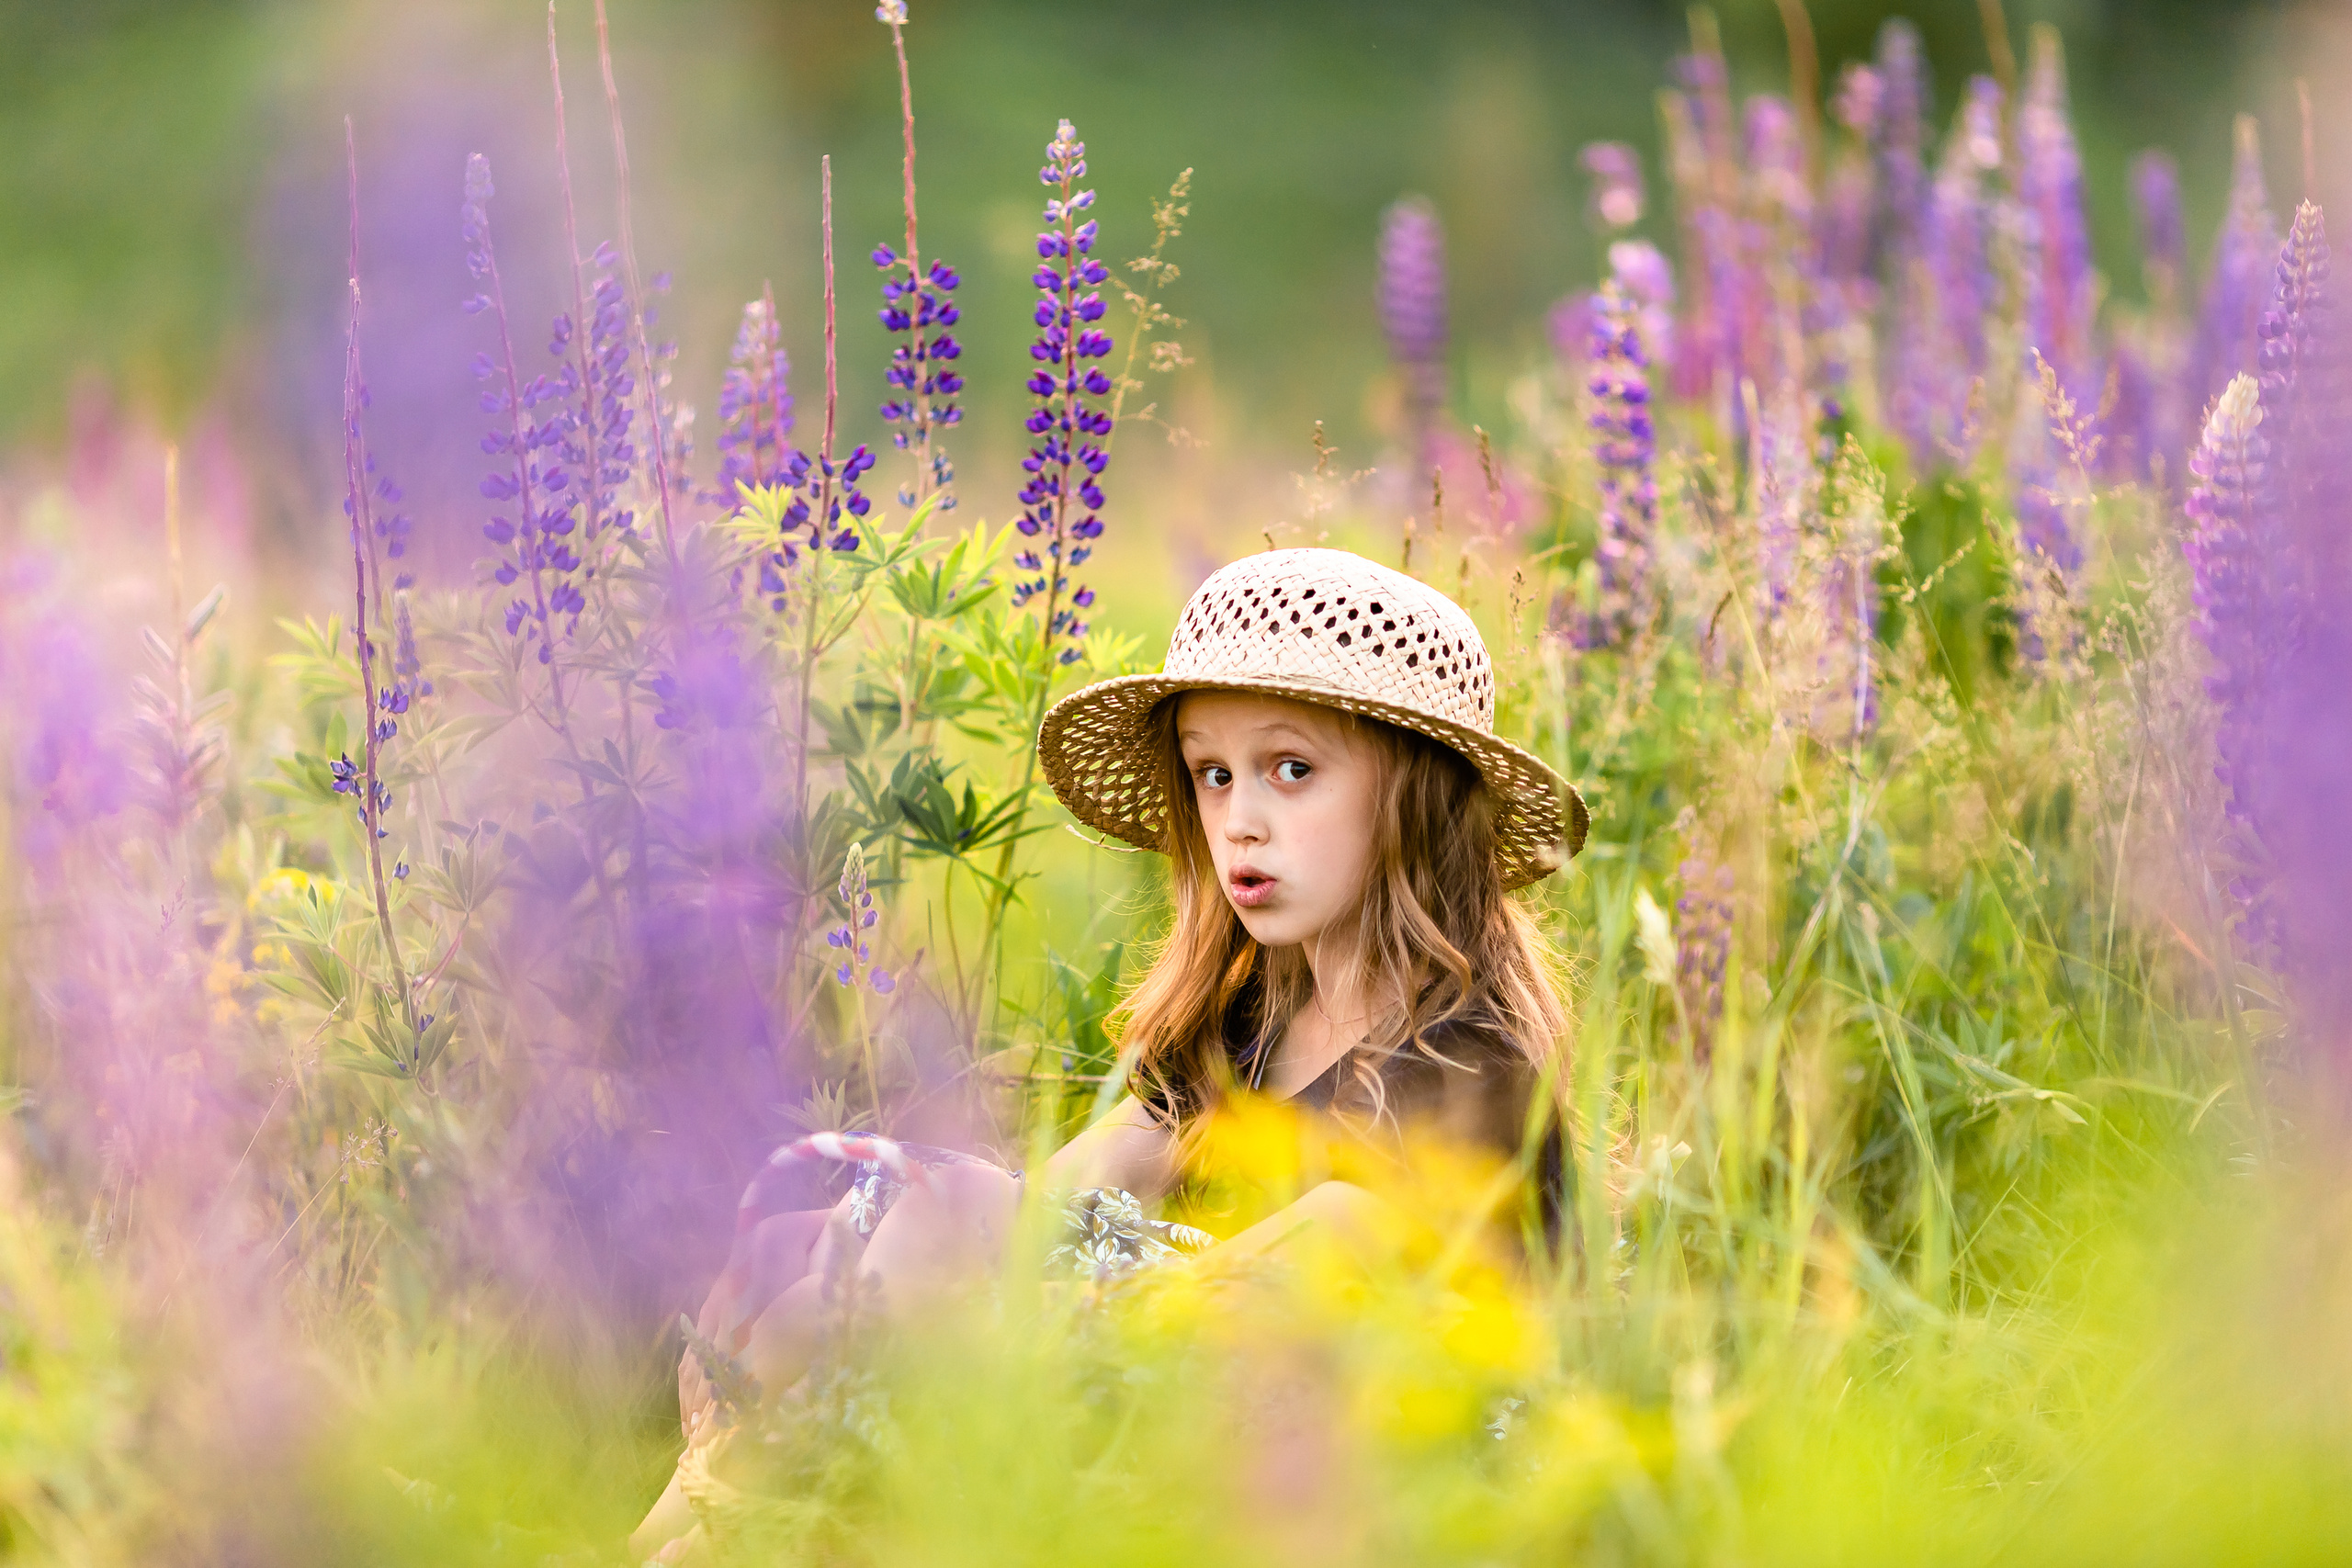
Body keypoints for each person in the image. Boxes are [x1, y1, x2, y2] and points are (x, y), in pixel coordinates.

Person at [632, 547, 1588, 1559]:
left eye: (1290, 771)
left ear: (1419, 795)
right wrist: (850, 1242)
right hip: (1192, 1412)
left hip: (1368, 1481)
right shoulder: (1247, 1030)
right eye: (1211, 775)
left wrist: (996, 1305)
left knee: (925, 1274)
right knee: (843, 1247)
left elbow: (1295, 1273)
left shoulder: (1473, 1065)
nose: (1239, 821)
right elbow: (1054, 1197)